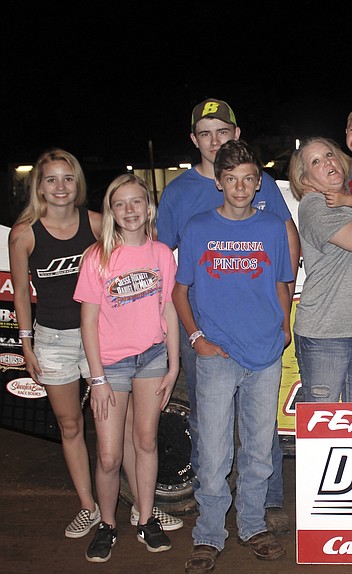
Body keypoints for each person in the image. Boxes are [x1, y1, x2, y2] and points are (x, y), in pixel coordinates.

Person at [8, 149, 182, 541]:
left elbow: (146, 271)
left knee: (126, 436)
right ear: (39, 186)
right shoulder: (25, 233)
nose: (60, 187)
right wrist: (27, 342)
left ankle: (142, 508)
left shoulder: (99, 223)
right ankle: (91, 509)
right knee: (73, 426)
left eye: (67, 178)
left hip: (107, 342)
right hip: (57, 338)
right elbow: (20, 291)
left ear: (78, 183)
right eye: (51, 179)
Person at [156, 97, 299, 533]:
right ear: (194, 140)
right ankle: (211, 523)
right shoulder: (181, 195)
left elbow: (284, 241)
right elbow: (164, 260)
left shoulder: (264, 191)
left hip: (259, 335)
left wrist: (282, 315)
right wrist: (189, 333)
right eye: (205, 133)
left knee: (259, 433)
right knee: (209, 430)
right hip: (206, 331)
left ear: (235, 135)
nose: (214, 140)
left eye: (223, 132)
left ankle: (260, 511)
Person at [174, 140, 293, 573]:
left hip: (264, 351)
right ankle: (208, 534)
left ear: (257, 183)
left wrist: (283, 327)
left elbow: (282, 281)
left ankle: (252, 525)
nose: (240, 187)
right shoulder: (198, 227)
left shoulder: (271, 228)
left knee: (260, 448)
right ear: (220, 183)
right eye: (231, 179)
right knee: (214, 449)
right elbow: (180, 290)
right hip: (217, 352)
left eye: (248, 179)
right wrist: (196, 337)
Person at [74, 174, 179, 561]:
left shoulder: (162, 254)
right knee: (108, 455)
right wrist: (97, 377)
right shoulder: (97, 257)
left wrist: (173, 365)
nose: (130, 210)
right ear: (111, 212)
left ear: (148, 207)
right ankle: (107, 524)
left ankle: (146, 518)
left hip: (152, 358)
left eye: (137, 202)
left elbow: (167, 307)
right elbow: (88, 322)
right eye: (120, 204)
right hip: (112, 365)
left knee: (146, 441)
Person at [288, 137, 352, 403]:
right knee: (324, 425)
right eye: (316, 162)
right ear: (305, 179)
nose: (328, 162)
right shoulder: (314, 204)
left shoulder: (349, 201)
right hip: (327, 332)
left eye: (330, 155)